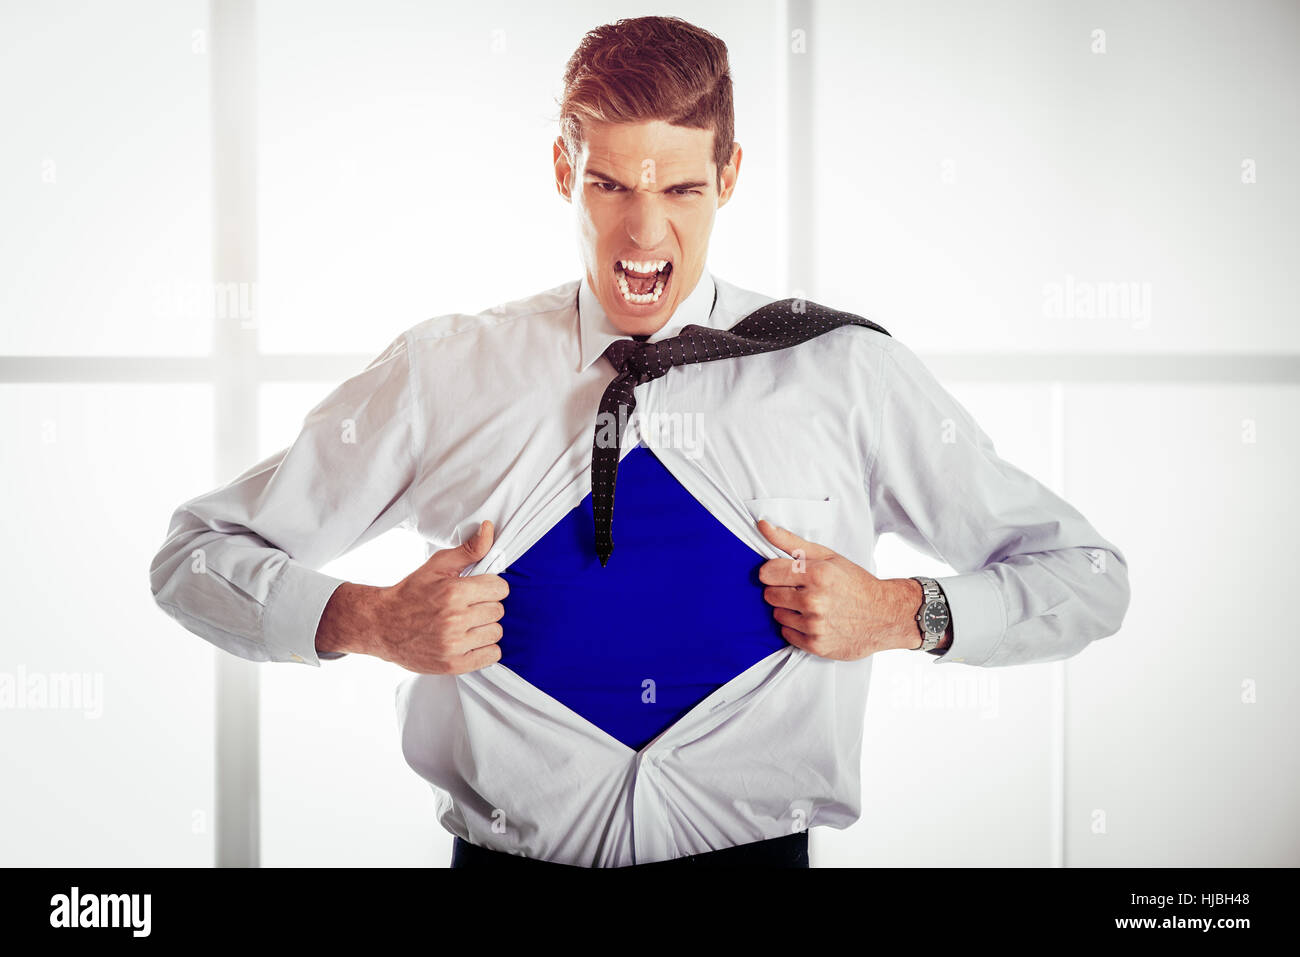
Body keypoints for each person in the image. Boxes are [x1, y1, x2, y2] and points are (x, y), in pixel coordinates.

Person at [149, 15, 1130, 869]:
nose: (642, 234)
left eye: (681, 191)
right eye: (611, 184)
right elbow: (194, 559)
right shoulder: (442, 372)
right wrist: (365, 619)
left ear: (729, 176)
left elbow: (1085, 576)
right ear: (562, 170)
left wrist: (903, 612)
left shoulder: (843, 372)